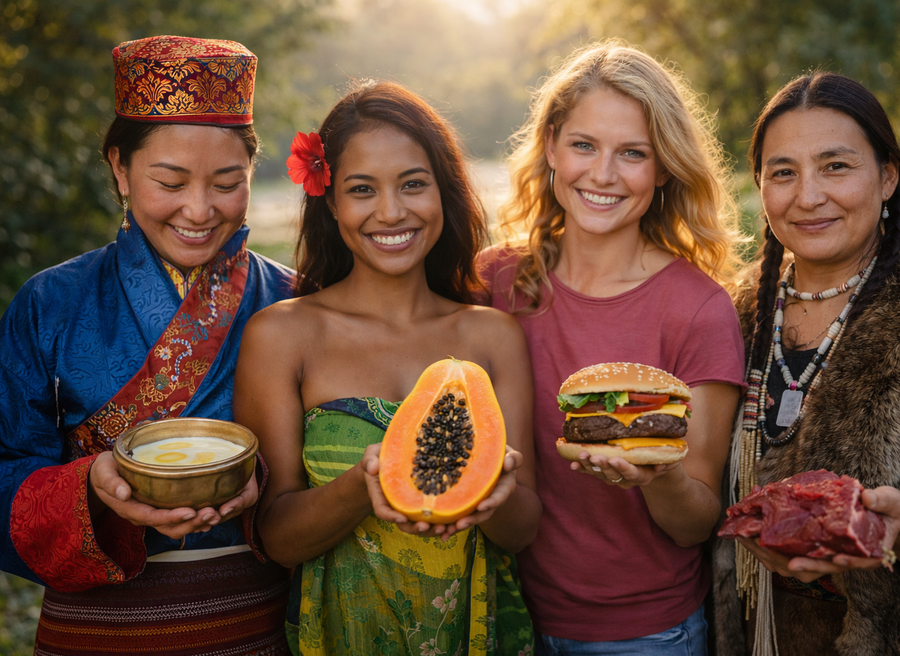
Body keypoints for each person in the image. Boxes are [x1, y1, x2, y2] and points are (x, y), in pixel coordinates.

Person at [0, 36, 295, 655]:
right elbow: (6, 468)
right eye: (170, 180)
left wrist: (260, 482)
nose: (199, 208)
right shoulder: (49, 302)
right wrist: (91, 488)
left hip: (250, 622)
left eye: (226, 182)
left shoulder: (293, 302)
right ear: (120, 168)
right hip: (94, 627)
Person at [233, 80, 541, 656]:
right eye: (362, 189)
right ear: (330, 200)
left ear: (443, 192)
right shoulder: (281, 335)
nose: (392, 211)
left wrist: (493, 495)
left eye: (413, 184)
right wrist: (363, 486)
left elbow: (523, 531)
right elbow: (275, 537)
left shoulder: (493, 335)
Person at [480, 40, 746, 654]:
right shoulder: (495, 280)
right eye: (583, 145)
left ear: (664, 168)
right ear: (550, 146)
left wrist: (656, 476)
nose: (602, 174)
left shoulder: (698, 309)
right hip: (501, 613)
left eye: (633, 154)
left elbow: (696, 522)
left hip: (645, 633)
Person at [713, 71, 900, 656]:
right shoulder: (730, 318)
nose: (808, 196)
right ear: (759, 186)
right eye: (783, 172)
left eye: (836, 166)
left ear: (887, 177)